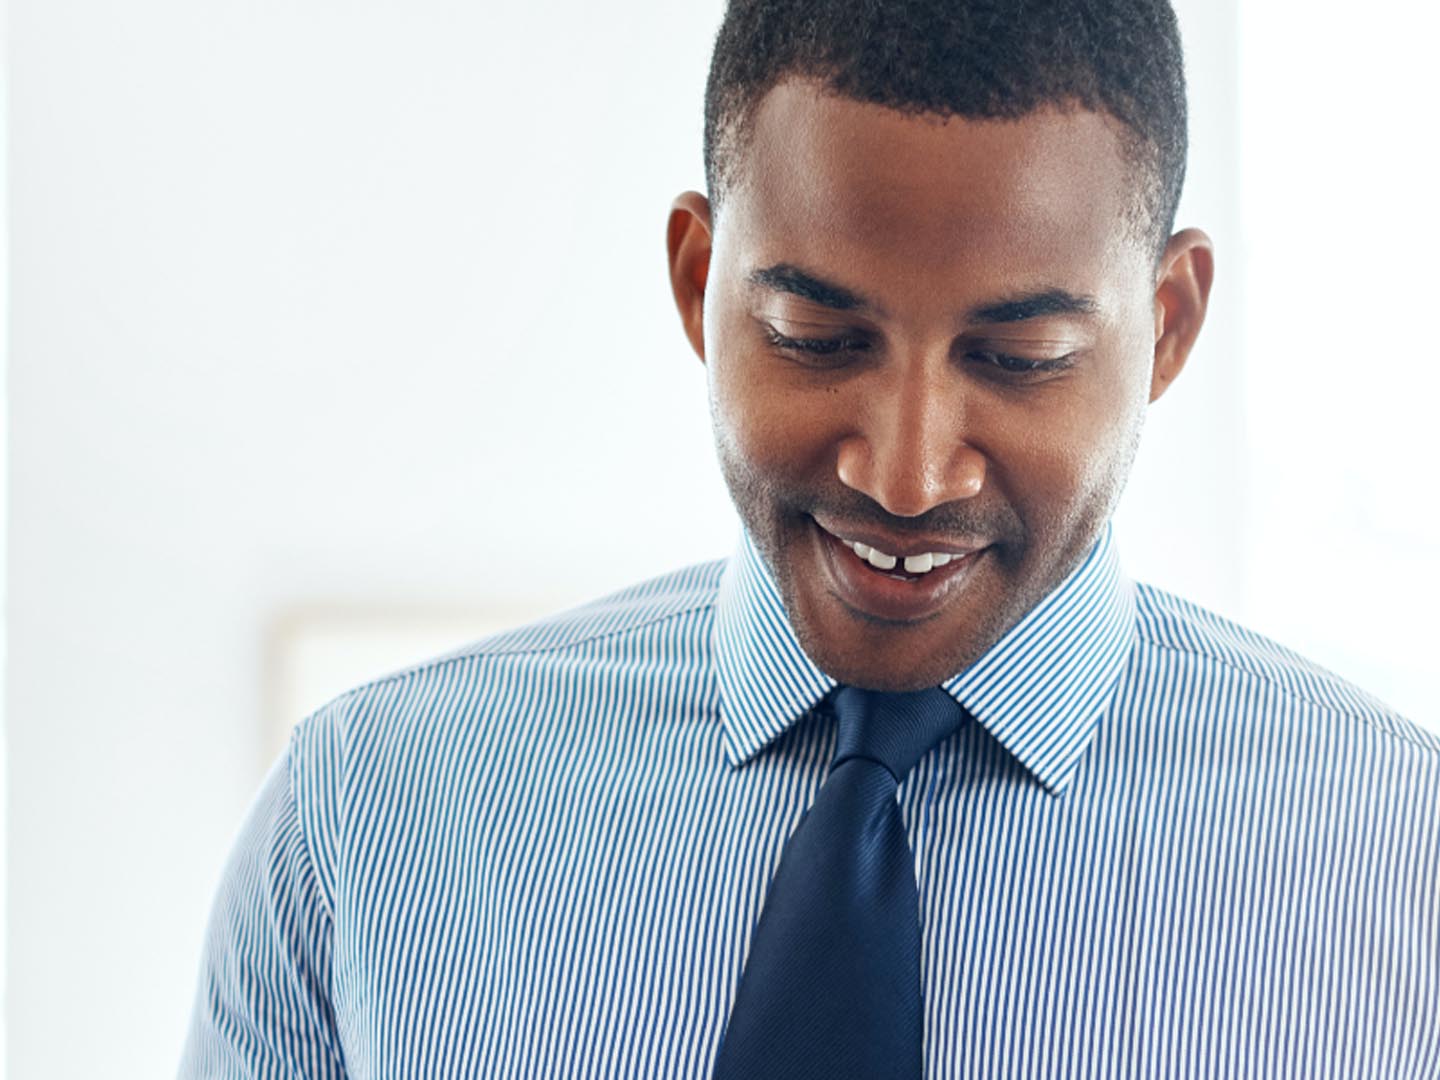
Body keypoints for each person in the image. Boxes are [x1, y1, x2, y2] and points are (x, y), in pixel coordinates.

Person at [179, 0, 1440, 1076]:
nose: (904, 473)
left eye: (1019, 359)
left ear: (1166, 327)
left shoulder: (1403, 870)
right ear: (697, 278)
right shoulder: (367, 815)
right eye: (816, 338)